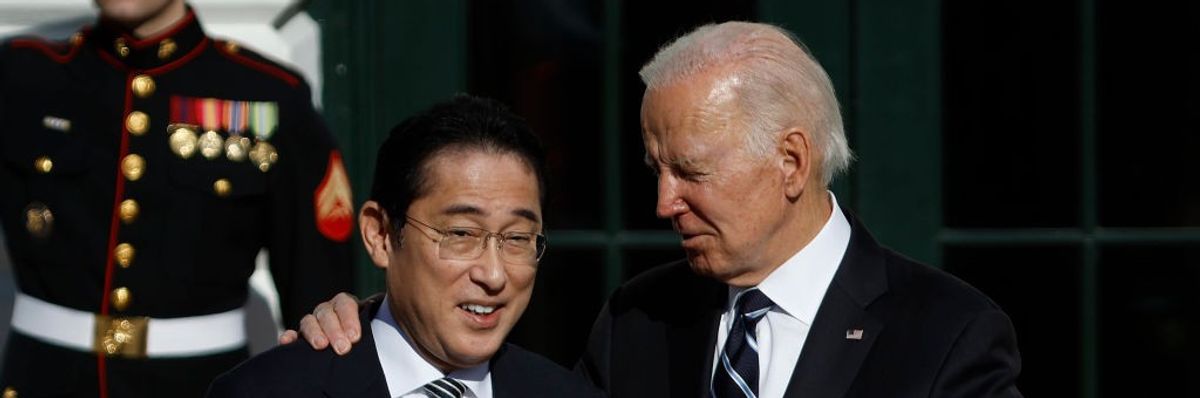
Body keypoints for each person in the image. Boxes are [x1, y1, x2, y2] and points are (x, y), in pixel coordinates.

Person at [292, 21, 1023, 397]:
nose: (664, 201)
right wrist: (377, 322)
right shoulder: (639, 321)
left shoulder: (947, 337)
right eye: (656, 169)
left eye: (691, 172)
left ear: (792, 161)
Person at [0, 0, 353, 397]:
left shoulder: (268, 96)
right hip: (42, 380)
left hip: (199, 385)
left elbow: (319, 304)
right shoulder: (21, 77)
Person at [207, 95, 599, 398]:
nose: (493, 275)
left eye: (517, 238)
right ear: (380, 235)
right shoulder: (270, 391)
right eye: (460, 234)